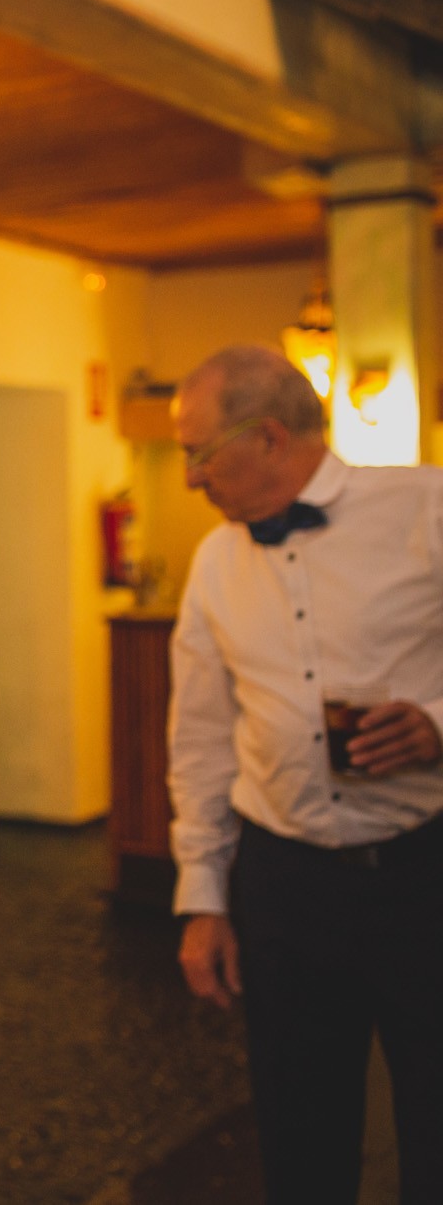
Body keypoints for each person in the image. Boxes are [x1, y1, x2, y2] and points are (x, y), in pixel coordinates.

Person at [168, 344, 443, 1204]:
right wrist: (203, 896)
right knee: (298, 1134)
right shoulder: (214, 562)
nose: (189, 478)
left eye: (199, 453)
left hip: (423, 872)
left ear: (270, 437)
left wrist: (439, 725)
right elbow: (201, 738)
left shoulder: (427, 508)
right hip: (285, 886)